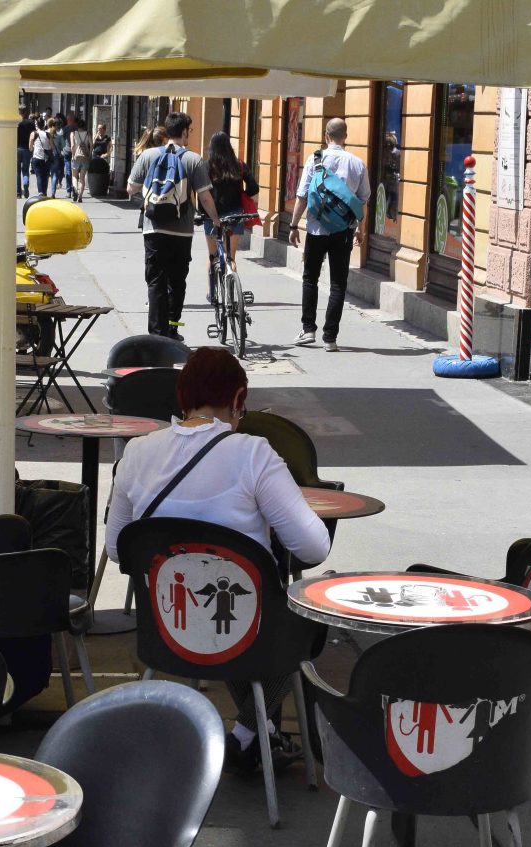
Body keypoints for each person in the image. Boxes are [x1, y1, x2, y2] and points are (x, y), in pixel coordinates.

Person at [106, 347, 331, 772]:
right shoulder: (254, 454)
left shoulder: (136, 452)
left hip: (168, 629)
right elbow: (313, 549)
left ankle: (254, 734)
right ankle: (248, 732)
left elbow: (118, 548)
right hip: (246, 632)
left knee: (227, 616)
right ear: (238, 398)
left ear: (182, 396)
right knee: (303, 620)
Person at [126, 111, 221, 340]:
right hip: (181, 231)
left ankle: (156, 335)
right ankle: (172, 329)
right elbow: (205, 197)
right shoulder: (193, 159)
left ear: (167, 130)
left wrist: (150, 197)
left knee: (155, 281)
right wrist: (216, 220)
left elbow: (131, 188)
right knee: (177, 282)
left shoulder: (148, 155)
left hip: (153, 228)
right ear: (185, 131)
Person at [288, 117, 370, 353]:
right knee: (338, 284)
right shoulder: (357, 164)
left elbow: (302, 195)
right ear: (346, 137)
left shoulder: (315, 159)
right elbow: (362, 201)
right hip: (343, 231)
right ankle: (330, 338)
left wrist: (293, 225)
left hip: (316, 229)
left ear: (326, 136)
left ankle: (308, 329)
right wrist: (361, 229)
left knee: (310, 278)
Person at [202, 131, 259, 304]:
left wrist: (201, 212)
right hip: (235, 214)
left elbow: (200, 193)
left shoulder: (206, 166)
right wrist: (242, 194)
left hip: (212, 216)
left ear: (212, 148)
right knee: (231, 257)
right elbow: (254, 188)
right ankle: (232, 293)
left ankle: (212, 293)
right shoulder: (239, 165)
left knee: (212, 255)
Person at [67, 115, 92, 202]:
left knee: (74, 176)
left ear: (77, 126)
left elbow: (72, 146)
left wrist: (73, 155)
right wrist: (89, 154)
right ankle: (80, 196)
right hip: (85, 157)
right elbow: (91, 145)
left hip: (76, 157)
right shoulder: (88, 134)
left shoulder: (73, 134)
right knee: (82, 178)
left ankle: (75, 190)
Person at [30, 115, 53, 198]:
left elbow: (30, 147)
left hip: (36, 157)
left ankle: (40, 192)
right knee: (46, 176)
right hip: (46, 158)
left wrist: (34, 147)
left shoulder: (34, 133)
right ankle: (45, 192)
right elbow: (52, 147)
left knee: (39, 175)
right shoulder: (48, 134)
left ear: (37, 124)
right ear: (44, 124)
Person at [15, 107, 35, 198]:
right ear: (26, 112)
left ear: (19, 112)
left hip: (17, 149)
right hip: (27, 149)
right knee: (26, 170)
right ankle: (26, 183)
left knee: (17, 171)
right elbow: (34, 135)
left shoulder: (16, 122)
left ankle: (18, 193)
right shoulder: (31, 123)